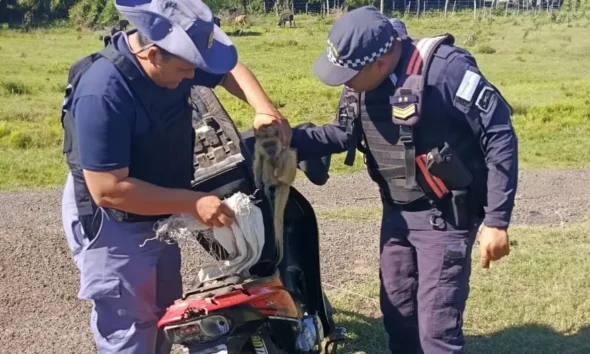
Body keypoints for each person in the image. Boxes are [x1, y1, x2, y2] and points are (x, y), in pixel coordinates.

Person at [60, 0, 291, 353]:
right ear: (153, 55)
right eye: (185, 71)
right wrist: (192, 202)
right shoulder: (103, 92)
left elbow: (228, 70)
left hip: (158, 210)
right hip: (113, 219)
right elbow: (107, 189)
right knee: (130, 327)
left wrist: (264, 108)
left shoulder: (176, 60)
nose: (192, 79)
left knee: (164, 315)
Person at [290, 6, 517, 353]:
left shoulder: (446, 70)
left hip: (445, 216)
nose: (344, 81)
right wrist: (285, 139)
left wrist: (497, 221)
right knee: (398, 316)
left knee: (436, 331)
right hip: (396, 213)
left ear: (380, 63)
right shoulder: (360, 80)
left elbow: (499, 134)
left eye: (349, 74)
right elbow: (342, 133)